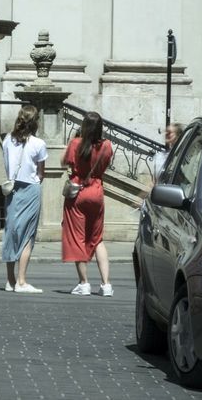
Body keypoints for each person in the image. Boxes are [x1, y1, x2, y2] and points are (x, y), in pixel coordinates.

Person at [62, 111, 115, 296]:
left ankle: (84, 283)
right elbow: (105, 165)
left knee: (78, 238)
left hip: (78, 192)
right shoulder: (107, 145)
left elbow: (64, 161)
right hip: (97, 191)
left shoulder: (76, 143)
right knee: (97, 238)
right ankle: (106, 284)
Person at [1, 105, 47, 293]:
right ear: (35, 122)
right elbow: (41, 172)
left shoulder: (7, 140)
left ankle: (10, 280)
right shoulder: (39, 143)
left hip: (12, 188)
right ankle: (21, 281)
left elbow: (6, 164)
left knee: (11, 232)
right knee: (27, 234)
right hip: (30, 189)